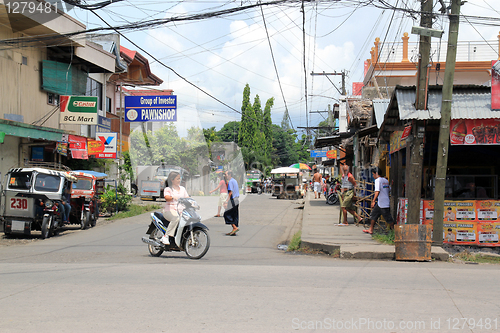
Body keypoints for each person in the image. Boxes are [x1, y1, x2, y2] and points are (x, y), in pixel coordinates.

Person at [160, 171, 189, 245]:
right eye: (177, 179)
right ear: (172, 180)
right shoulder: (168, 189)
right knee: (176, 218)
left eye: (180, 178)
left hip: (181, 211)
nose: (179, 180)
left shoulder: (182, 189)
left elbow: (187, 198)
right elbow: (167, 198)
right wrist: (172, 197)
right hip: (169, 210)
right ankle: (165, 236)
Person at [363, 167, 395, 234]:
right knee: (373, 215)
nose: (373, 176)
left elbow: (377, 191)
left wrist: (373, 200)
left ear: (376, 174)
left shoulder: (378, 180)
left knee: (388, 219)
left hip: (383, 204)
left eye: (373, 174)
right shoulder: (385, 180)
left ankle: (394, 232)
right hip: (381, 202)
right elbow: (388, 190)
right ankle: (371, 229)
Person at [223, 170, 240, 235]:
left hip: (232, 200)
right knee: (234, 215)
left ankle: (234, 227)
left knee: (226, 214)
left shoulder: (230, 182)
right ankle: (234, 231)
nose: (225, 176)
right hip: (237, 200)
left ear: (229, 175)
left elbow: (230, 192)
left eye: (226, 174)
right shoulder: (235, 181)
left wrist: (226, 201)